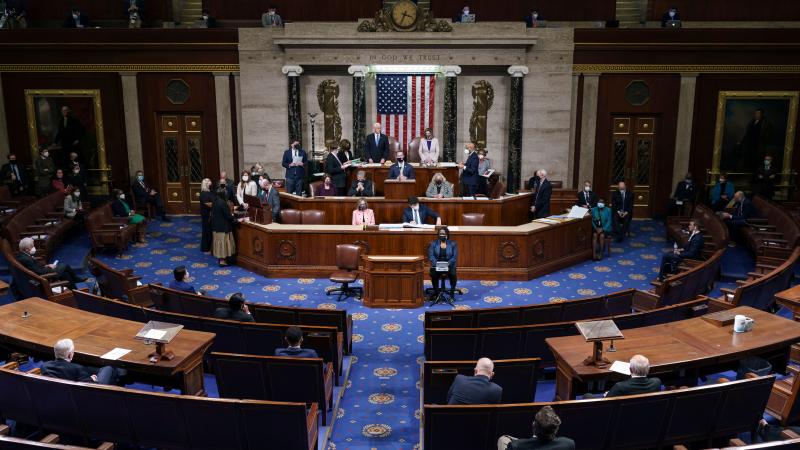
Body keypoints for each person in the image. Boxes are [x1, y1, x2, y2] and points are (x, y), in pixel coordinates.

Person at [41, 339, 124, 385]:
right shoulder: (77, 369)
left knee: (89, 369)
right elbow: (91, 385)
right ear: (70, 355)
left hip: (65, 391)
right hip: (91, 394)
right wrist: (92, 379)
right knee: (109, 368)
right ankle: (119, 372)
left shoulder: (45, 366)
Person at [16, 237, 87, 290]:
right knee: (65, 266)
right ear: (26, 249)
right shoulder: (26, 259)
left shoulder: (22, 255)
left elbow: (35, 267)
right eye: (32, 246)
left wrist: (46, 265)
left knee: (66, 274)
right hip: (44, 276)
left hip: (42, 272)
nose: (34, 248)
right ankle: (77, 280)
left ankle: (74, 290)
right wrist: (49, 267)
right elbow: (39, 272)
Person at [498, 406, 575, 450]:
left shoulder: (516, 446)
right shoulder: (569, 444)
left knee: (503, 439)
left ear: (534, 425)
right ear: (556, 429)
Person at [211, 187, 241, 266]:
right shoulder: (222, 203)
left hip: (216, 226)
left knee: (219, 243)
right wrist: (237, 220)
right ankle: (222, 261)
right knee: (224, 244)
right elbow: (228, 216)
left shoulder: (215, 201)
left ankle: (221, 260)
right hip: (223, 227)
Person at [428, 226, 458, 296]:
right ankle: (436, 292)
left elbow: (454, 257)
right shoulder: (433, 244)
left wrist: (448, 264)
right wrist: (437, 264)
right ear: (438, 235)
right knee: (434, 274)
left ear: (447, 234)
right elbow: (431, 256)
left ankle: (452, 292)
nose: (442, 235)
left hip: (449, 265)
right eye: (441, 234)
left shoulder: (453, 244)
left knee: (453, 273)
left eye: (444, 234)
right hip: (437, 264)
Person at [199, 178, 214, 253]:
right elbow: (208, 204)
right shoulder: (204, 194)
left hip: (210, 214)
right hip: (206, 214)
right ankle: (205, 248)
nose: (210, 183)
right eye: (209, 181)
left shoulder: (209, 192)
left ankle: (209, 246)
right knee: (206, 231)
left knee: (209, 230)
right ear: (205, 184)